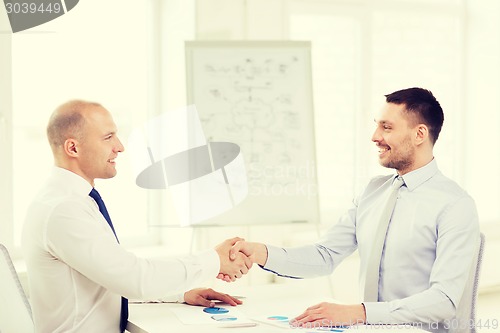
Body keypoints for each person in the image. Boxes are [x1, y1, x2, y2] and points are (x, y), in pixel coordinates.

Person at [225, 87, 480, 332]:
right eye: (377, 125)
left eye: (386, 127)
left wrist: (359, 313)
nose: (375, 136)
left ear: (419, 134)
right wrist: (261, 253)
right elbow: (324, 256)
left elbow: (443, 301)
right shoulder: (374, 191)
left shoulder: (455, 205)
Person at [22, 100, 251, 333]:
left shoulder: (73, 200)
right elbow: (133, 278)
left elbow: (111, 277)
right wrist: (214, 260)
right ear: (73, 148)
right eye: (108, 137)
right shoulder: (63, 210)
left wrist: (179, 294)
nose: (120, 147)